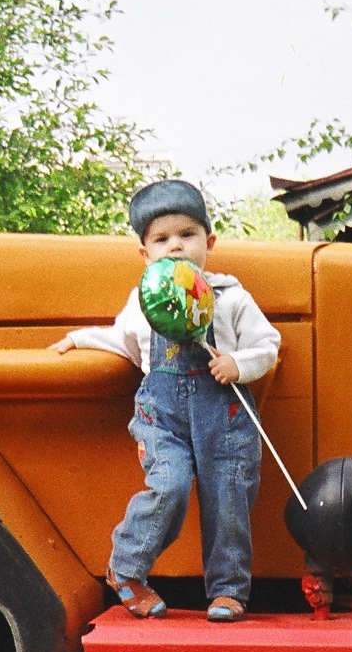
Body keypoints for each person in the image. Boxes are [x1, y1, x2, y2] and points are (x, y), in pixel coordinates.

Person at [50, 179, 281, 622]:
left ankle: (229, 590)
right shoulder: (142, 300)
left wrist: (238, 364)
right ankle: (127, 569)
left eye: (187, 235)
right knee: (169, 486)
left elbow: (267, 346)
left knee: (229, 496)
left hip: (226, 415)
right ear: (145, 252)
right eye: (162, 239)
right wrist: (79, 340)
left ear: (208, 242)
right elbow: (124, 343)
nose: (176, 246)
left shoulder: (231, 297)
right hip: (163, 416)